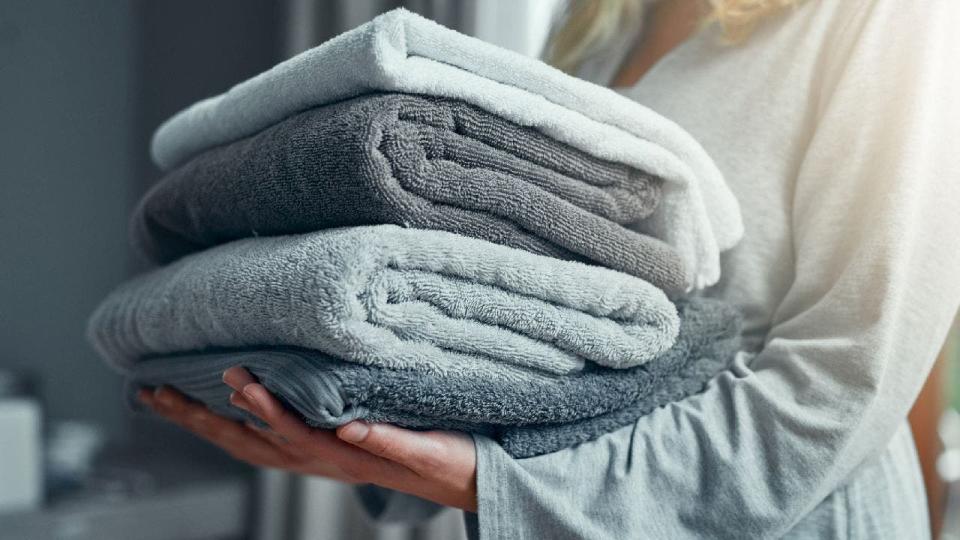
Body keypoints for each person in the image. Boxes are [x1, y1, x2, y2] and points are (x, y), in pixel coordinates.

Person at [138, 0, 960, 537]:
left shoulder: (889, 18)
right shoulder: (597, 26)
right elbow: (519, 338)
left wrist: (496, 489)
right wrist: (364, 443)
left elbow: (842, 380)